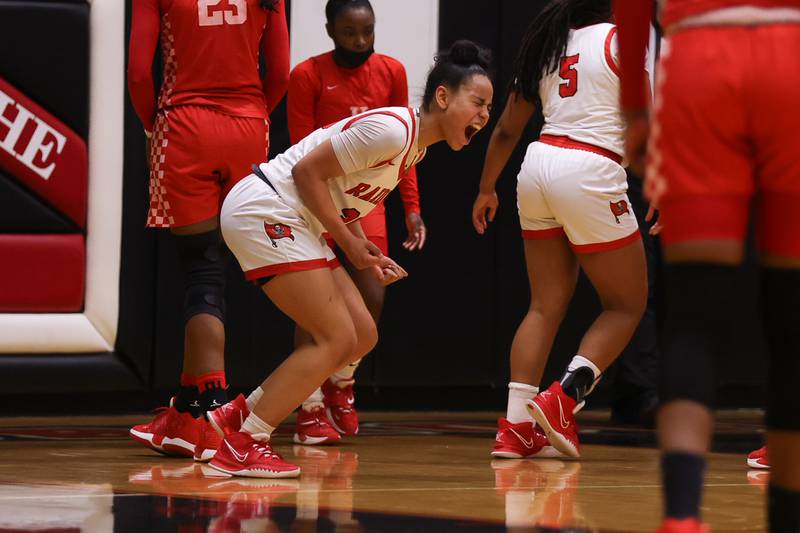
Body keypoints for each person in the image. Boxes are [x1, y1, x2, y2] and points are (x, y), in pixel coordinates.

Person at [203, 40, 493, 478]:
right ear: (443, 96)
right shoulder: (394, 130)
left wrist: (365, 248)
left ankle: (234, 418)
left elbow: (342, 196)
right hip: (267, 207)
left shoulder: (414, 146)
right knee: (334, 337)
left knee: (361, 335)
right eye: (478, 102)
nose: (484, 116)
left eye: (489, 108)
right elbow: (306, 173)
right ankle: (246, 443)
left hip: (294, 216)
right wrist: (350, 245)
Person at [615, 1, 800, 531]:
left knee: (693, 314)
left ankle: (681, 518)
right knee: (792, 317)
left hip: (699, 59)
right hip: (792, 55)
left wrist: (636, 108)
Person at [472, 0, 647, 460]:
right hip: (591, 167)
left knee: (543, 306)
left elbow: (508, 130)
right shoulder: (619, 40)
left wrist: (487, 187)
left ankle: (514, 427)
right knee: (627, 305)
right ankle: (564, 398)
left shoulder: (547, 46)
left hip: (538, 164)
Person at [126, 0, 290, 462]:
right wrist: (253, 114)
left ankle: (211, 410)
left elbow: (140, 74)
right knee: (230, 270)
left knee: (202, 272)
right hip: (248, 125)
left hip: (184, 125)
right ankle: (187, 411)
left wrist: (152, 126)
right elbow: (279, 73)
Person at [286, 0, 427, 444]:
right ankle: (308, 405)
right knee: (313, 303)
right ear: (330, 30)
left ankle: (341, 383)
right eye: (349, 33)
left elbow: (406, 149)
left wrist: (412, 206)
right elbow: (301, 154)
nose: (360, 42)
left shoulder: (391, 72)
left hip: (368, 203)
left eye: (367, 32)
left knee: (372, 294)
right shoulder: (307, 76)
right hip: (318, 199)